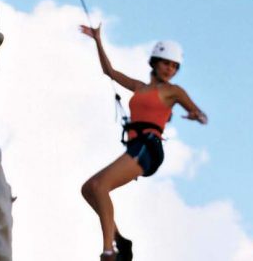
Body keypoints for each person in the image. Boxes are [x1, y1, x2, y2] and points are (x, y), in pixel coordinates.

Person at [78, 24, 209, 260]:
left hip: (149, 148)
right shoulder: (140, 87)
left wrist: (196, 115)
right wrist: (97, 40)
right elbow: (109, 71)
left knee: (100, 187)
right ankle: (120, 241)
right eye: (166, 63)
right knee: (89, 189)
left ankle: (109, 252)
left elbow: (201, 114)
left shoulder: (174, 91)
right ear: (155, 62)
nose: (170, 69)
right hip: (136, 147)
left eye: (174, 66)